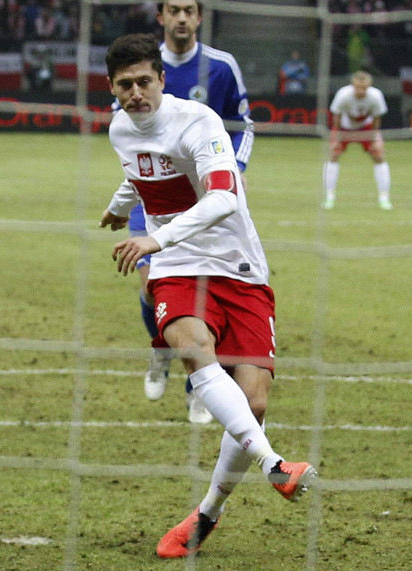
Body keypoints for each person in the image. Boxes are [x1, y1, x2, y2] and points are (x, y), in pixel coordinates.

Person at [100, 33, 315, 558]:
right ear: (113, 87)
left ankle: (208, 513)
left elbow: (222, 197)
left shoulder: (199, 122)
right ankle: (274, 465)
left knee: (254, 402)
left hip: (237, 266)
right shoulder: (119, 128)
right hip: (176, 267)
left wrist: (154, 235)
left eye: (144, 81)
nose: (135, 93)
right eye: (124, 85)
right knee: (194, 347)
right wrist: (117, 206)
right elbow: (137, 169)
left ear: (161, 79)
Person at [133, 0, 256, 424]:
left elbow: (243, 124)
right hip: (154, 197)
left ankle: (199, 388)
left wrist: (230, 175)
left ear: (200, 17)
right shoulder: (142, 68)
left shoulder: (221, 66)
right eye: (174, 10)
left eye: (189, 10)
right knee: (154, 286)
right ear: (161, 17)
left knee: (210, 291)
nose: (182, 18)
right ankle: (160, 349)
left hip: (208, 203)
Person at [323, 70, 392, 211]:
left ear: (369, 86)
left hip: (365, 128)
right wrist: (337, 137)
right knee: (333, 154)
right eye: (358, 87)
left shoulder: (376, 96)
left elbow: (377, 119)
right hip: (344, 127)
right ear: (353, 85)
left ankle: (384, 198)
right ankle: (329, 197)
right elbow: (336, 116)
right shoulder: (343, 95)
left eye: (364, 88)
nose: (360, 91)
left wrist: (374, 139)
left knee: (378, 154)